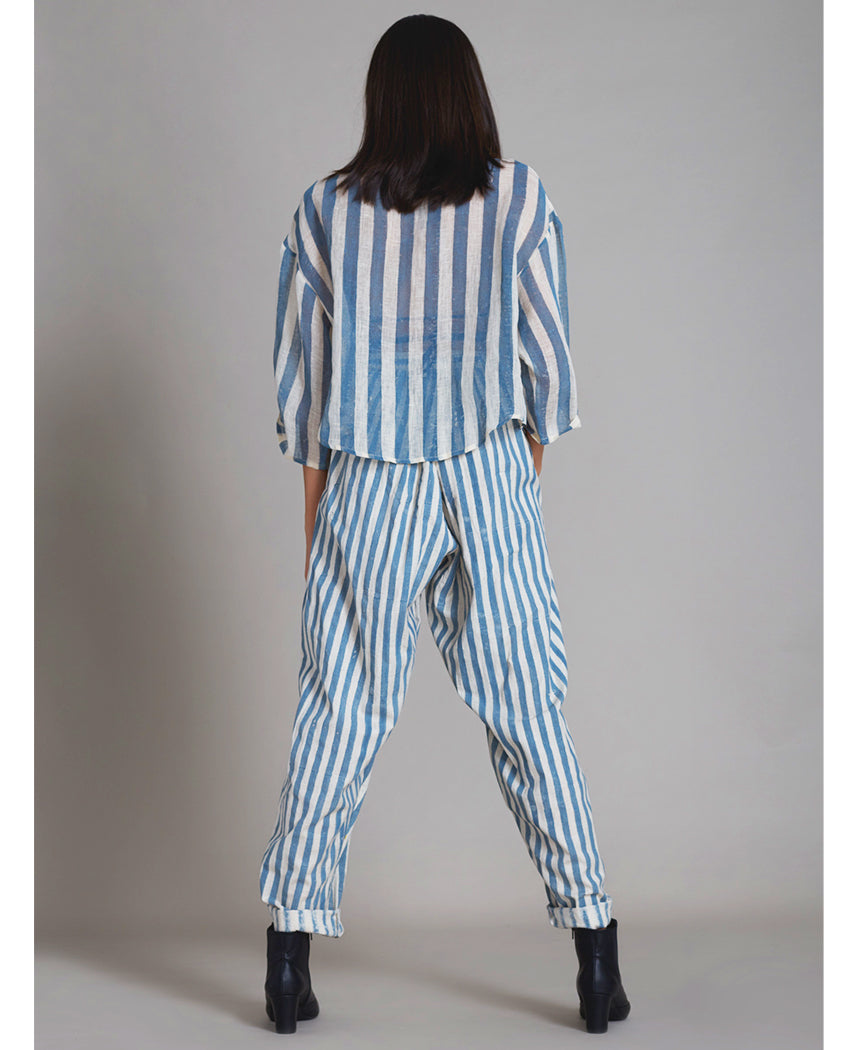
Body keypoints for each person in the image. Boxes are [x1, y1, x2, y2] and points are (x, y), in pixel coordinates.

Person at [258, 13, 631, 1036]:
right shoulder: (522, 201)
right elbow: (549, 377)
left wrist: (323, 535)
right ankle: (595, 956)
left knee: (338, 708)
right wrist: (508, 493)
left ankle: (287, 962)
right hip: (488, 468)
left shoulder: (324, 211)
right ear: (470, 96)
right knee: (530, 710)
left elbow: (307, 404)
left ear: (381, 100)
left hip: (367, 478)